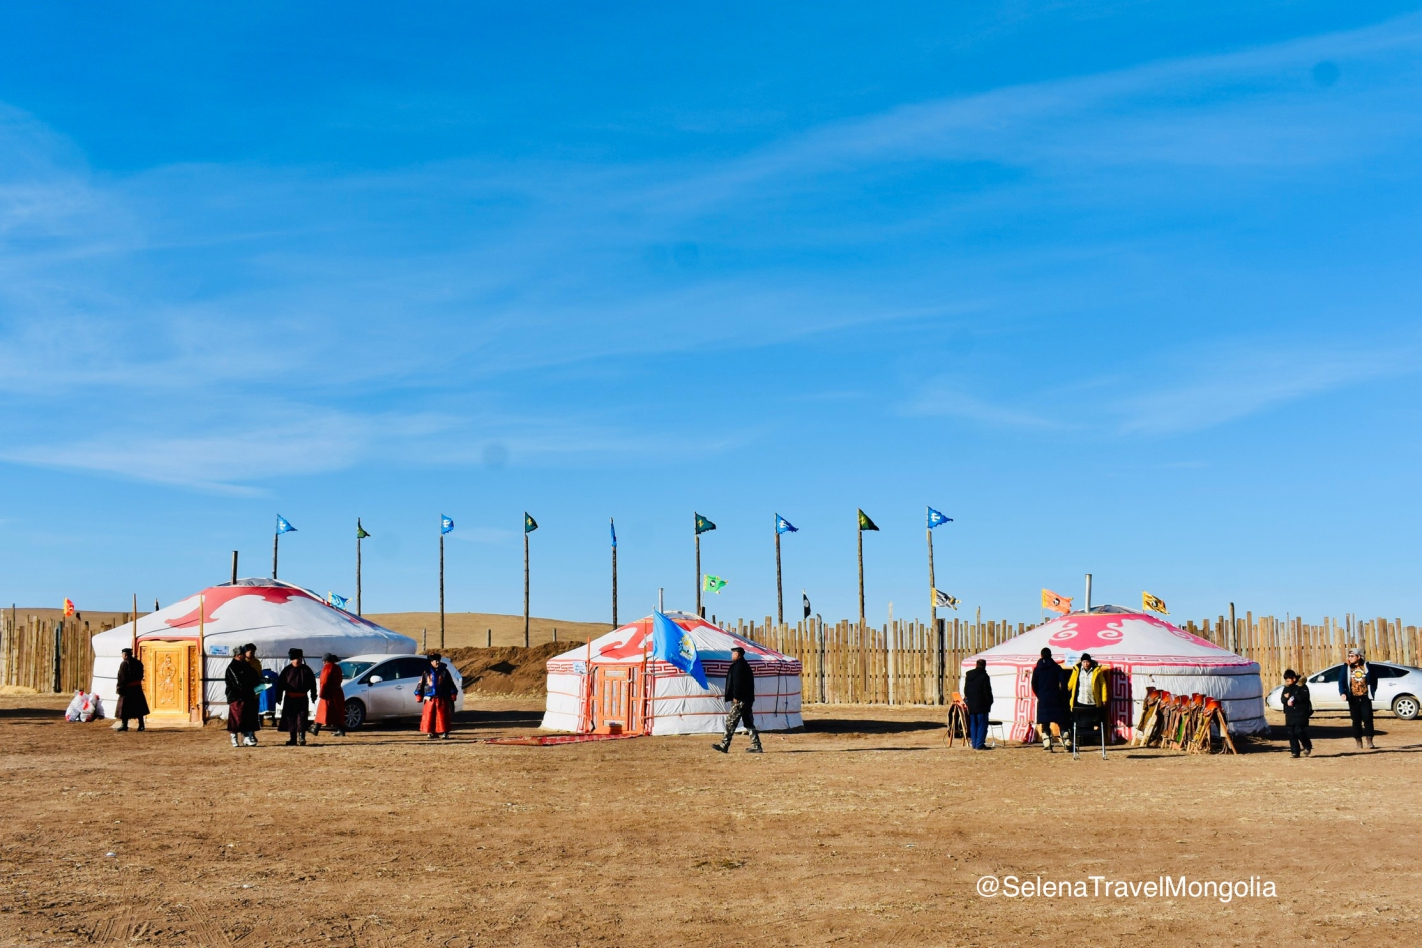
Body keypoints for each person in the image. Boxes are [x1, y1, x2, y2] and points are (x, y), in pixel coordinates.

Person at [713, 645, 763, 754]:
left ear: (737, 654)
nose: (732, 655)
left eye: (733, 653)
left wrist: (736, 696)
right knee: (749, 723)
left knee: (731, 721)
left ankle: (724, 745)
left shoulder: (738, 666)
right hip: (748, 699)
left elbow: (737, 683)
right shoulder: (745, 665)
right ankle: (757, 746)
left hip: (740, 699)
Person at [1338, 647, 1379, 750]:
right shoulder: (1346, 667)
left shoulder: (1366, 666)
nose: (1350, 658)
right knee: (1356, 720)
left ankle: (1369, 740)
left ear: (1358, 656)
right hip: (1353, 698)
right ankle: (1358, 741)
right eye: (1349, 656)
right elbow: (1341, 680)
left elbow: (1374, 679)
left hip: (1365, 697)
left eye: (1352, 656)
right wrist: (1343, 692)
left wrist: (1372, 690)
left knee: (1368, 718)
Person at [1067, 653, 1109, 751]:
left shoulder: (1096, 670)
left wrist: (1104, 698)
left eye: (1087, 662)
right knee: (1081, 721)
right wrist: (1062, 691)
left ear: (1090, 662)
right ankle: (1082, 740)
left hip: (1093, 700)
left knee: (1093, 721)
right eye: (1084, 662)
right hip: (1080, 700)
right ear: (1081, 662)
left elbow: (1102, 684)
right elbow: (1071, 683)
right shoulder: (1076, 670)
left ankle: (1091, 739)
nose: (1086, 664)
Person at [276, 648, 318, 746]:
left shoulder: (306, 670)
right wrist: (278, 697)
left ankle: (302, 738)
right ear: (292, 659)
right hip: (290, 698)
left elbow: (313, 684)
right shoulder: (287, 670)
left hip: (302, 698)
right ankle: (293, 739)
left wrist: (313, 695)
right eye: (296, 658)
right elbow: (280, 685)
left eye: (299, 658)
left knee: (302, 718)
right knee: (291, 719)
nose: (298, 660)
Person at [224, 644, 263, 748]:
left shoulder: (246, 665)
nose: (244, 656)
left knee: (248, 717)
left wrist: (261, 682)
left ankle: (247, 738)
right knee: (236, 718)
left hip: (247, 695)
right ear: (238, 655)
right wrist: (250, 688)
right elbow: (238, 683)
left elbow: (254, 676)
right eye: (242, 654)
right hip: (236, 696)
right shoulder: (232, 667)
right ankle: (234, 739)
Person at [1031, 648, 1068, 752]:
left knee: (1045, 722)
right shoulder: (1057, 668)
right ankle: (1067, 743)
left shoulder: (1037, 669)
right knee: (1062, 721)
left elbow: (1033, 685)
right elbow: (1064, 683)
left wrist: (1040, 695)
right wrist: (1062, 694)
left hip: (1043, 698)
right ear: (1051, 655)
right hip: (1056, 697)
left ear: (1041, 655)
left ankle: (1047, 745)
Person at [416, 653, 458, 740]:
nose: (437, 662)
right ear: (431, 662)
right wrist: (418, 694)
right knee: (429, 716)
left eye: (438, 660)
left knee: (443, 716)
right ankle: (431, 732)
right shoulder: (426, 672)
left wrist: (453, 693)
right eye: (435, 661)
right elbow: (421, 684)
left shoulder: (445, 672)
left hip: (442, 697)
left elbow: (450, 683)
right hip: (430, 698)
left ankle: (444, 732)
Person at [312, 653, 347, 737]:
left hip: (329, 692)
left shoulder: (327, 667)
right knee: (337, 711)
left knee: (323, 711)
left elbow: (324, 681)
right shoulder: (337, 667)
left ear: (325, 661)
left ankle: (316, 728)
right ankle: (341, 729)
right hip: (338, 691)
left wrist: (322, 693)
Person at [114, 647, 149, 732]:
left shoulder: (124, 663)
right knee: (138, 707)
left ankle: (124, 725)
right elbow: (141, 675)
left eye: (122, 654)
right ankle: (141, 725)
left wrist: (119, 688)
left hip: (127, 689)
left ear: (125, 655)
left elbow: (122, 677)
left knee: (124, 707)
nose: (122, 656)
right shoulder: (138, 663)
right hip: (137, 688)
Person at [1280, 668, 1312, 758]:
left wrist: (1292, 696)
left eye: (1288, 679)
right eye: (1285, 679)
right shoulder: (1286, 688)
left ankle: (1307, 746)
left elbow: (1304, 698)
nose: (1286, 680)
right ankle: (1295, 752)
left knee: (1299, 731)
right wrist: (1286, 700)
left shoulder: (1302, 686)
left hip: (1301, 713)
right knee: (1291, 733)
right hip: (1290, 713)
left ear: (1294, 678)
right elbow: (1283, 699)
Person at [963, 658, 994, 750]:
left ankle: (974, 743)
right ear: (985, 665)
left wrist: (969, 700)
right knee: (982, 724)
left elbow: (966, 690)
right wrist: (990, 701)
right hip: (982, 704)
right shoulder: (984, 676)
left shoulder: (969, 676)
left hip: (972, 703)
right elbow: (987, 691)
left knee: (973, 724)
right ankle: (980, 744)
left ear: (976, 665)